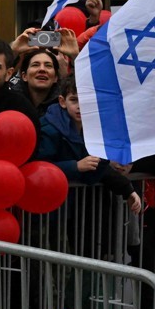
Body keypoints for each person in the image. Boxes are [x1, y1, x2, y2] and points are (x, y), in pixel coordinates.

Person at [36, 75, 141, 212]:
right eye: (74, 100)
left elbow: (91, 177)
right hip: (48, 205)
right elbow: (38, 167)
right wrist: (76, 166)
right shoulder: (50, 128)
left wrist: (127, 189)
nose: (80, 106)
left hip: (74, 207)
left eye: (87, 101)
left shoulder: (95, 129)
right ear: (62, 101)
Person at [13, 48, 62, 118]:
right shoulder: (10, 102)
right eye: (35, 65)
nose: (42, 69)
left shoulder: (64, 105)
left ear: (55, 78)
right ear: (24, 76)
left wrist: (74, 57)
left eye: (48, 65)